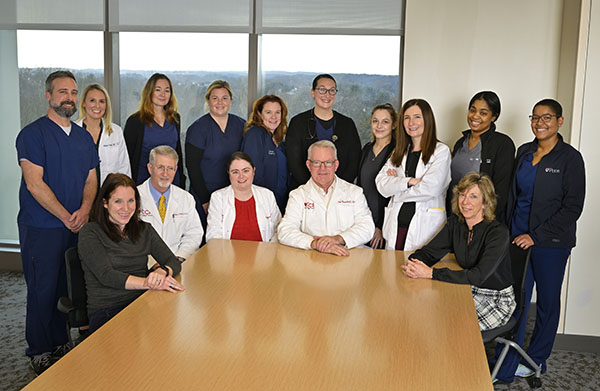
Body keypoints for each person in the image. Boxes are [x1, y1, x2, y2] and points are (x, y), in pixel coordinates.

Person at [494, 99, 586, 382]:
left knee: (546, 301)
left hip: (550, 244)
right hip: (517, 238)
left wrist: (535, 236)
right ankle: (508, 361)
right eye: (535, 117)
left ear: (560, 121)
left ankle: (537, 360)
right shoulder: (524, 151)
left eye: (547, 117)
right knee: (515, 300)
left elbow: (573, 207)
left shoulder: (569, 158)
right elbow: (513, 196)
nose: (540, 122)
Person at [16, 70, 99, 375]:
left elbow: (92, 177)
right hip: (43, 227)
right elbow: (34, 184)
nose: (70, 97)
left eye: (74, 92)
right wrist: (66, 216)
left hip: (77, 224)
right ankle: (38, 348)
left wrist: (86, 208)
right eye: (62, 92)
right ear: (49, 96)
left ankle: (60, 340)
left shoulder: (82, 136)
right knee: (43, 287)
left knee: (68, 286)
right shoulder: (32, 135)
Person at [402, 173, 516, 332]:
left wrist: (430, 273)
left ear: (485, 203)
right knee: (422, 310)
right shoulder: (456, 224)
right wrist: (414, 264)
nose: (465, 202)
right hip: (467, 289)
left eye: (473, 196)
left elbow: (478, 276)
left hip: (495, 299)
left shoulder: (498, 233)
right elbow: (429, 252)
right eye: (462, 195)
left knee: (451, 329)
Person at [78, 174, 184, 333]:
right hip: (108, 311)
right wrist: (149, 282)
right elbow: (106, 275)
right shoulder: (90, 232)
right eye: (118, 201)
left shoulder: (144, 229)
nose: (126, 208)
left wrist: (163, 271)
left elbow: (173, 261)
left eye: (130, 201)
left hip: (143, 301)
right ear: (105, 203)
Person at [375, 99, 451, 251]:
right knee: (392, 271)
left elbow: (431, 188)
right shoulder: (399, 152)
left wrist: (397, 191)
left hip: (425, 227)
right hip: (396, 226)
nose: (411, 123)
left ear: (427, 119)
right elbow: (381, 184)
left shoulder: (441, 151)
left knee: (417, 271)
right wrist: (409, 182)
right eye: (407, 118)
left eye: (417, 117)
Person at [278, 140, 375, 256]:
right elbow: (285, 231)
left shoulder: (354, 192)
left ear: (336, 165)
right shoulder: (298, 195)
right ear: (309, 165)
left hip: (349, 255)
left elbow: (367, 228)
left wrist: (338, 239)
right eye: (317, 163)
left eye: (328, 162)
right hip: (312, 257)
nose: (322, 168)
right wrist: (315, 243)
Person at [285, 74, 361, 190]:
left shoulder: (347, 124)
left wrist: (336, 189)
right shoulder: (298, 122)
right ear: (312, 92)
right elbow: (294, 163)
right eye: (322, 90)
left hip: (340, 192)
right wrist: (315, 188)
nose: (327, 95)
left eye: (331, 90)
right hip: (305, 191)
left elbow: (354, 163)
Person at [186, 80, 246, 225]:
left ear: (231, 101)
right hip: (205, 195)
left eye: (224, 98)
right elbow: (192, 168)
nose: (220, 102)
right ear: (208, 101)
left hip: (233, 194)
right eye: (215, 98)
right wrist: (206, 201)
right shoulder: (197, 129)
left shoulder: (242, 126)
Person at [449, 91, 515, 222]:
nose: (475, 116)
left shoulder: (502, 144)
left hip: (482, 221)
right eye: (473, 110)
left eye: (483, 113)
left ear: (494, 117)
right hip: (456, 218)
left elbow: (500, 191)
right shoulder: (460, 143)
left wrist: (484, 222)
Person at [138, 146, 203, 261]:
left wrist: (178, 258)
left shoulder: (186, 198)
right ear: (150, 168)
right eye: (160, 167)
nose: (165, 173)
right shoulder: (134, 197)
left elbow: (194, 233)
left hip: (178, 262)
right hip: (143, 264)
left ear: (176, 169)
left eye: (170, 168)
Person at [123, 73, 185, 187]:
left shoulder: (175, 118)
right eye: (158, 90)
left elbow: (178, 153)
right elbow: (128, 158)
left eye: (167, 90)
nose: (163, 94)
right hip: (143, 182)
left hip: (171, 182)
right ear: (149, 92)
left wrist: (181, 180)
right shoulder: (135, 121)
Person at [206, 152, 281, 242]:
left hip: (264, 254)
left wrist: (268, 251)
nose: (241, 176)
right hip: (228, 254)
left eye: (246, 170)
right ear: (229, 173)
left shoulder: (267, 195)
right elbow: (213, 236)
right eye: (235, 172)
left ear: (253, 171)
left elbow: (279, 230)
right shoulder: (218, 198)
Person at [357, 103, 397, 249]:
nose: (379, 126)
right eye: (375, 121)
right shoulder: (367, 149)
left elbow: (393, 194)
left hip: (382, 225)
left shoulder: (398, 152)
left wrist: (380, 226)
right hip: (364, 220)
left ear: (393, 125)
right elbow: (361, 186)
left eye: (385, 121)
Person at [75, 83, 131, 186]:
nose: (97, 106)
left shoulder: (116, 132)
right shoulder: (72, 132)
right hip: (80, 194)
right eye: (92, 100)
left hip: (109, 194)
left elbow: (124, 168)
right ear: (83, 103)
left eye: (102, 101)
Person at [241, 95, 289, 212]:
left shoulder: (279, 140)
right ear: (259, 114)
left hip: (280, 201)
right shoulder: (255, 134)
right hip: (262, 203)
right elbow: (253, 172)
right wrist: (263, 203)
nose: (274, 117)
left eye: (277, 112)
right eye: (268, 112)